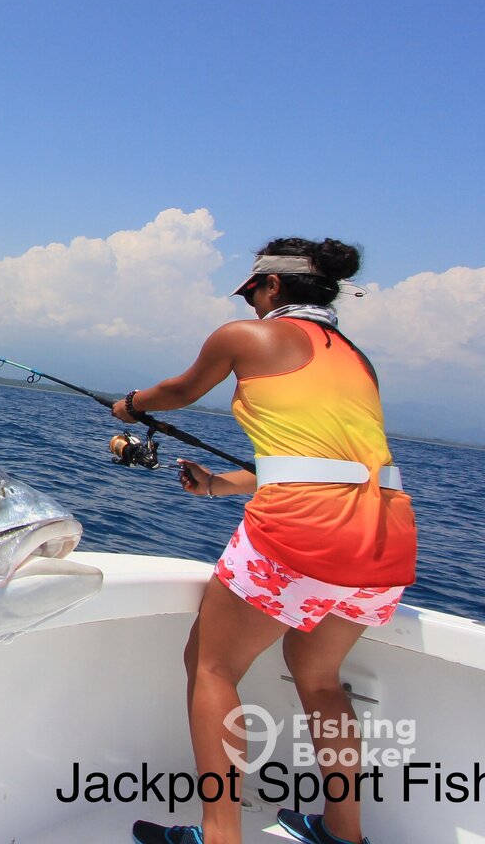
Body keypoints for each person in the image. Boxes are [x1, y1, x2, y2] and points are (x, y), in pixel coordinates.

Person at [111, 238, 416, 844]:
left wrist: (131, 406)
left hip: (303, 534)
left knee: (212, 667)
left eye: (251, 291)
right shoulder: (356, 360)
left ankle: (220, 834)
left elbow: (179, 392)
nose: (248, 303)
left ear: (272, 286)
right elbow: (326, 463)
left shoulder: (244, 337)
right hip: (386, 538)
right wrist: (218, 485)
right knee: (320, 678)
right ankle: (343, 833)